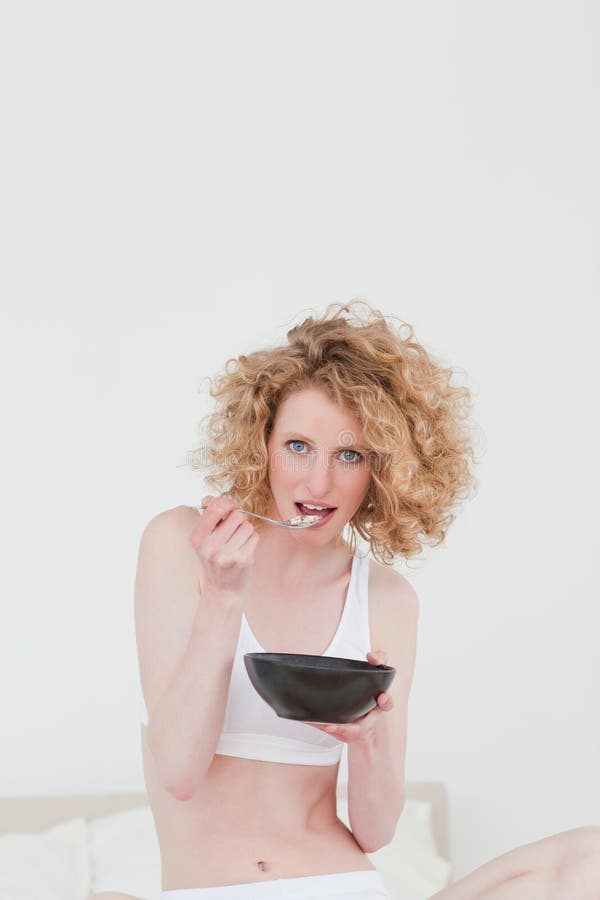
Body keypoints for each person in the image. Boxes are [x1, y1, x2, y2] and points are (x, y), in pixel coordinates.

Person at [89, 301, 600, 900]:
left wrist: (369, 738)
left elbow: (376, 829)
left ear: (382, 472)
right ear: (262, 445)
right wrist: (224, 596)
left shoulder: (386, 597)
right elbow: (178, 771)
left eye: (349, 456)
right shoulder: (181, 544)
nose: (318, 483)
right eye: (298, 446)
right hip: (212, 888)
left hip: (338, 885)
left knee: (586, 859)